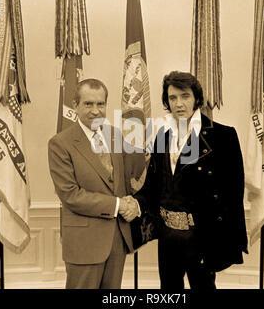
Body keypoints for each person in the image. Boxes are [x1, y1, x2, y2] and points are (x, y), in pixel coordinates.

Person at [133, 71, 248, 289]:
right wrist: (133, 203)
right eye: (172, 98)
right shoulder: (163, 136)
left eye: (185, 96)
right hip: (167, 235)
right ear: (166, 102)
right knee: (168, 290)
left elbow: (233, 194)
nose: (179, 103)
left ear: (196, 98)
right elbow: (153, 185)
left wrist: (221, 241)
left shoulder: (223, 137)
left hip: (202, 236)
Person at [48, 78, 141, 289]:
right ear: (75, 105)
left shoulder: (115, 135)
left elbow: (124, 182)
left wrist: (133, 203)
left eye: (100, 104)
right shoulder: (60, 143)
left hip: (117, 239)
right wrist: (118, 205)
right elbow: (70, 195)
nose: (95, 111)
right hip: (84, 242)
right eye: (88, 104)